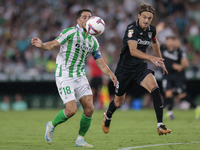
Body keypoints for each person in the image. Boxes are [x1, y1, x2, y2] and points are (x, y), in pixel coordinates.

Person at [31, 9, 117, 147]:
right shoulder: (70, 32)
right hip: (64, 74)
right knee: (71, 110)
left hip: (79, 75)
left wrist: (111, 74)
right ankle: (51, 126)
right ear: (78, 21)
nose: (87, 19)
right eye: (84, 17)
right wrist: (42, 45)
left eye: (90, 17)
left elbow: (100, 62)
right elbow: (53, 44)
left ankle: (80, 139)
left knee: (89, 108)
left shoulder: (93, 41)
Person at [102, 2, 171, 136]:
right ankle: (108, 116)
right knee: (118, 102)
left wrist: (160, 60)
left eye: (149, 18)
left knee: (155, 88)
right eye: (144, 17)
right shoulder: (131, 29)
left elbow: (155, 42)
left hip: (140, 67)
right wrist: (151, 58)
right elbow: (133, 51)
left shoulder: (152, 30)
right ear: (138, 16)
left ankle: (160, 125)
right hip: (124, 70)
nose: (146, 20)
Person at [161, 36, 200, 119]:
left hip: (178, 76)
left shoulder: (179, 52)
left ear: (174, 42)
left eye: (170, 41)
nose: (168, 43)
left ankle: (197, 107)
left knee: (181, 95)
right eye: (167, 41)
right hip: (167, 75)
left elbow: (185, 63)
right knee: (168, 93)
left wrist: (180, 67)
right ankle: (170, 112)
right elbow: (155, 41)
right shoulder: (163, 50)